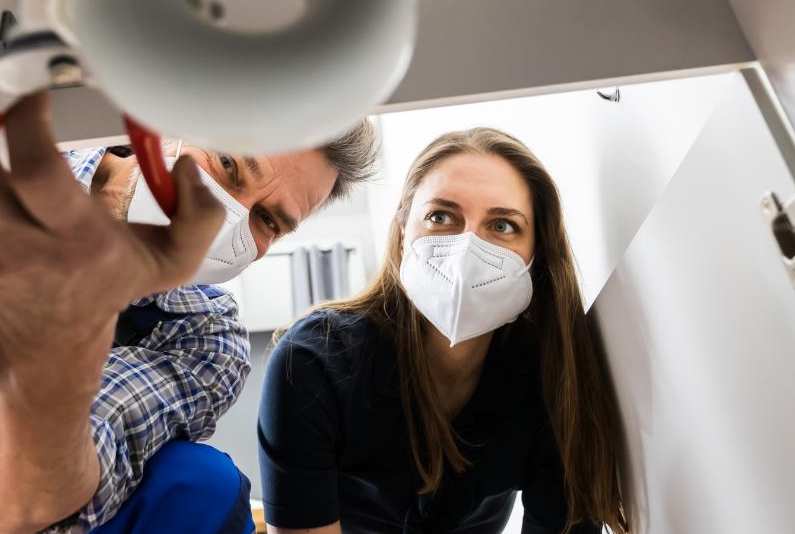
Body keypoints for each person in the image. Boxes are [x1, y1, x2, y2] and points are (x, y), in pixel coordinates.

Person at [0, 91, 378, 533]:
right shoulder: (22, 158)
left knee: (206, 485)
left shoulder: (204, 335)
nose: (228, 215)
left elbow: (31, 505)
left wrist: (72, 321)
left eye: (269, 221)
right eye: (229, 164)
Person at [258, 128, 631, 534]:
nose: (466, 250)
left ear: (536, 255)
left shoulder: (550, 371)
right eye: (441, 216)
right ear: (402, 231)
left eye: (503, 225)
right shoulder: (312, 364)